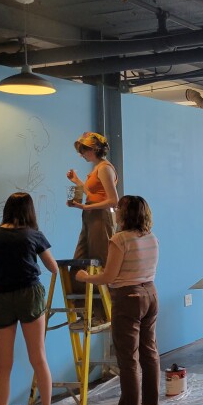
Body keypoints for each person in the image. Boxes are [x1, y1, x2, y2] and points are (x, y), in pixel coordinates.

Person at [0, 192, 58, 405]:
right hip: (30, 295)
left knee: (3, 365)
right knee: (39, 358)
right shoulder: (34, 234)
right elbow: (53, 268)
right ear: (29, 211)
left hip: (1, 299)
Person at [76, 195, 160, 405]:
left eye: (118, 210)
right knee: (149, 352)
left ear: (124, 214)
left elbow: (109, 277)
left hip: (128, 298)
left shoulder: (119, 239)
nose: (115, 213)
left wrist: (86, 278)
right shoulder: (152, 238)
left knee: (128, 358)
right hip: (151, 295)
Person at [66, 132, 119, 322]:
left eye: (85, 150)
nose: (83, 154)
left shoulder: (105, 168)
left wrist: (86, 206)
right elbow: (93, 193)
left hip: (100, 218)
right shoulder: (97, 169)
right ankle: (88, 312)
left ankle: (107, 312)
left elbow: (113, 200)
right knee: (79, 263)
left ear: (95, 149)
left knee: (101, 261)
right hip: (89, 218)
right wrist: (78, 182)